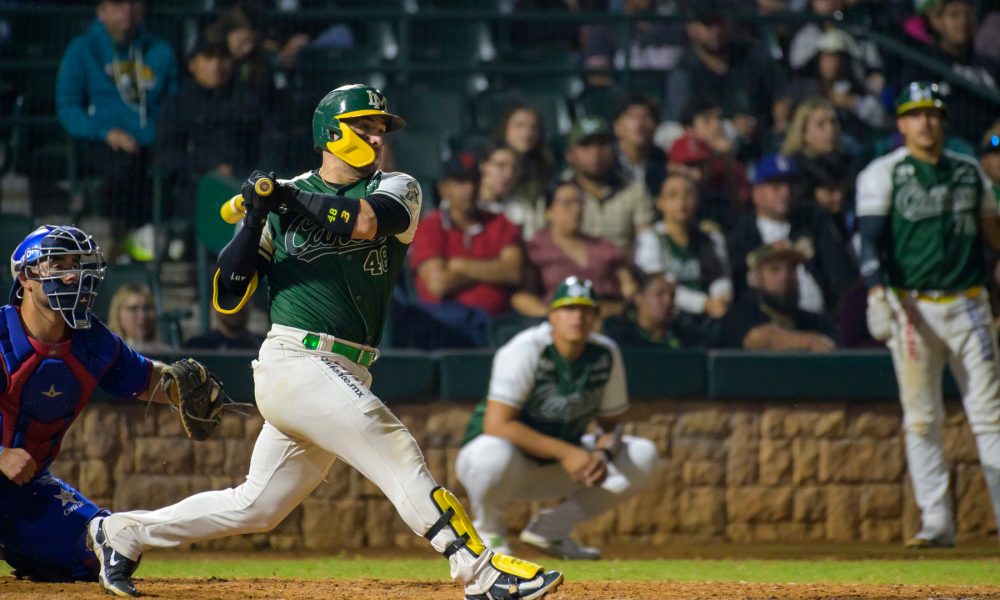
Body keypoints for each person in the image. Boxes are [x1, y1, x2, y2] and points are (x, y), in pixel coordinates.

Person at [87, 84, 563, 599]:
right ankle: (479, 571)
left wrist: (284, 198)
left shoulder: (397, 186)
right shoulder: (282, 199)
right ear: (331, 131)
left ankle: (122, 532)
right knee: (393, 444)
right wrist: (255, 217)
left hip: (347, 368)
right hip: (295, 361)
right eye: (365, 126)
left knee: (257, 506)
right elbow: (229, 295)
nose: (376, 137)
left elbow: (365, 222)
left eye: (380, 129)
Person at [0, 225, 206, 582]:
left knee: (103, 549)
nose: (72, 275)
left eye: (77, 265)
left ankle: (20, 544)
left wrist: (187, 386)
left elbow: (147, 379)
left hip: (26, 490)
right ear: (26, 278)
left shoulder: (91, 340)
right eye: (58, 264)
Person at [858, 81, 1000, 548]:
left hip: (968, 301)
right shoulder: (885, 173)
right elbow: (870, 241)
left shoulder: (968, 171)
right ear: (901, 123)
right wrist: (877, 293)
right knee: (921, 419)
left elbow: (993, 234)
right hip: (912, 306)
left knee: (991, 416)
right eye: (916, 114)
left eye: (933, 113)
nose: (926, 122)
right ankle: (936, 521)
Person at [456, 276, 660, 559]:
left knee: (643, 455)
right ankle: (489, 532)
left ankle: (551, 530)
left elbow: (612, 425)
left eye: (586, 310)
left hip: (560, 466)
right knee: (491, 455)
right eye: (568, 308)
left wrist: (601, 453)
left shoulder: (605, 353)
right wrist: (567, 453)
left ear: (596, 317)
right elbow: (497, 424)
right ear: (552, 315)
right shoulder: (526, 348)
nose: (578, 317)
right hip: (506, 464)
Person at [55, 0, 179, 233]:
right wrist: (106, 132)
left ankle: (173, 237)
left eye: (133, 3)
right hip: (103, 140)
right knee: (125, 166)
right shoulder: (83, 49)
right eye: (117, 4)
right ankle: (124, 235)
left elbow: (174, 104)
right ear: (101, 11)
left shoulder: (160, 51)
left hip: (154, 140)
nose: (127, 12)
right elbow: (68, 108)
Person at [409, 151, 525, 347]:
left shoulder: (501, 223)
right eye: (461, 182)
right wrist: (493, 269)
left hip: (496, 329)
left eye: (474, 181)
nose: (469, 189)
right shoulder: (429, 227)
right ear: (444, 189)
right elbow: (438, 284)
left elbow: (514, 272)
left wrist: (459, 265)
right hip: (445, 330)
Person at [727, 154, 857, 316]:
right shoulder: (741, 237)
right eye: (776, 186)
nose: (786, 192)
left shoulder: (813, 225)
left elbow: (840, 277)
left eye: (791, 185)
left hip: (822, 319)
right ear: (756, 192)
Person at [156, 38, 263, 222]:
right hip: (194, 193)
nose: (216, 66)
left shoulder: (247, 102)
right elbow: (165, 156)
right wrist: (210, 168)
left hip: (244, 188)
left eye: (223, 58)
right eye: (208, 58)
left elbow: (261, 146)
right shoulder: (179, 104)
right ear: (192, 65)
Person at [512, 181, 636, 318]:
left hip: (609, 318)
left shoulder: (603, 245)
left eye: (580, 202)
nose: (577, 209)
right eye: (567, 203)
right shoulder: (536, 249)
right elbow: (522, 297)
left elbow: (628, 286)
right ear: (549, 211)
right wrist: (552, 317)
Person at [634, 174, 732, 321]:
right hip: (670, 315)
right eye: (673, 195)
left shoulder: (711, 237)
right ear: (660, 202)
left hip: (712, 314)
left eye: (688, 194)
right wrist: (703, 303)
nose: (682, 201)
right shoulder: (651, 239)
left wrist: (719, 299)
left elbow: (721, 276)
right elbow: (657, 287)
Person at [716, 241, 837, 351]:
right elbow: (758, 340)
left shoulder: (815, 322)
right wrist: (809, 341)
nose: (785, 276)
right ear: (757, 277)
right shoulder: (741, 314)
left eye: (792, 269)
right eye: (774, 269)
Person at [563, 117, 654, 254]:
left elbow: (647, 243)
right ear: (570, 154)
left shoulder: (634, 190)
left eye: (602, 144)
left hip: (623, 264)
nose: (595, 153)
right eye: (586, 145)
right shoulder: (559, 195)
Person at [603, 273, 707, 348]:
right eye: (659, 294)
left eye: (672, 296)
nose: (668, 301)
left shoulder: (687, 339)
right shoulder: (619, 335)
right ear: (639, 297)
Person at [478, 144, 544, 240]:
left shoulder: (522, 209)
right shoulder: (465, 206)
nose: (509, 174)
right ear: (483, 166)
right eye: (501, 165)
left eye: (514, 168)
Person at [493, 103, 554, 209]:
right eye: (519, 125)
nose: (527, 133)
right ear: (505, 128)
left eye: (533, 127)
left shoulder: (544, 167)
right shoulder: (491, 163)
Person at [612, 93, 667, 198]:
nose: (640, 124)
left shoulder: (662, 160)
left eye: (646, 117)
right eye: (632, 117)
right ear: (617, 127)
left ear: (656, 126)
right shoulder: (606, 161)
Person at [106, 283, 172, 354]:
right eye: (133, 309)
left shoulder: (167, 353)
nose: (142, 316)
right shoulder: (107, 352)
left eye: (147, 308)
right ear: (117, 313)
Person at [184, 305, 264, 351]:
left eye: (241, 301)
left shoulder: (264, 346)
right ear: (214, 305)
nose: (235, 308)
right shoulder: (196, 347)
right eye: (228, 302)